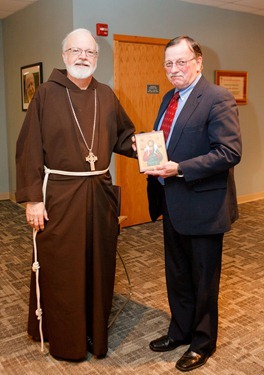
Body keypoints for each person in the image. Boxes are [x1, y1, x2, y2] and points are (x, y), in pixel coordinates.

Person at [16, 28, 136, 361]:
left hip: (98, 194)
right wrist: (33, 200)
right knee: (63, 269)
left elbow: (124, 136)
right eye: (76, 51)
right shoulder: (46, 93)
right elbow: (28, 150)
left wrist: (147, 148)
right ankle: (65, 339)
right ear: (64, 55)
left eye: (90, 52)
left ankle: (93, 333)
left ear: (97, 58)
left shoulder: (107, 95)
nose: (83, 57)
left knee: (99, 265)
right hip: (58, 196)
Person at [145, 36, 242, 372]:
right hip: (172, 202)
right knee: (178, 274)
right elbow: (169, 139)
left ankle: (202, 342)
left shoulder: (217, 97)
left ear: (198, 62)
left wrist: (180, 169)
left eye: (181, 62)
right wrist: (147, 148)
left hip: (204, 206)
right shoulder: (170, 99)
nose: (174, 69)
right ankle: (180, 330)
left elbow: (229, 153)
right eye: (169, 63)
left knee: (203, 279)